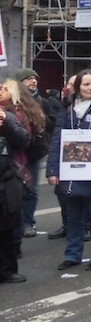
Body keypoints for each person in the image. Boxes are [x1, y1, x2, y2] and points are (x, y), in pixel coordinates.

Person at [47, 69, 91, 272]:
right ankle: (73, 255)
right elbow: (57, 140)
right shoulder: (67, 109)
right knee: (73, 215)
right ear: (77, 87)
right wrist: (52, 170)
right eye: (86, 84)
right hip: (70, 169)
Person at [15, 68, 55, 240]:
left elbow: (53, 122)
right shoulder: (12, 101)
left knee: (31, 189)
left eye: (35, 78)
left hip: (33, 153)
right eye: (28, 79)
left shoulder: (43, 102)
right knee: (13, 190)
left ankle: (28, 222)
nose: (33, 81)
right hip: (14, 152)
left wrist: (41, 124)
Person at [0, 88, 31, 283]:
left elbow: (23, 140)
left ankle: (7, 270)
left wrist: (7, 123)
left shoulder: (8, 117)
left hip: (6, 179)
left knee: (7, 228)